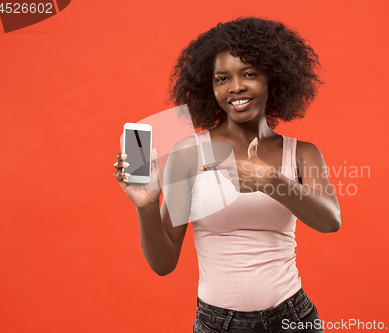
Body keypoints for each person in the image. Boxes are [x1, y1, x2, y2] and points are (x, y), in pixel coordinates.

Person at [114, 17, 341, 333]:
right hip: (217, 324)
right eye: (222, 78)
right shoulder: (188, 153)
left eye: (249, 74)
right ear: (209, 87)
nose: (235, 87)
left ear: (272, 78)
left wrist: (272, 181)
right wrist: (147, 206)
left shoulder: (302, 153)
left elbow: (331, 221)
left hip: (293, 319)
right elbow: (164, 264)